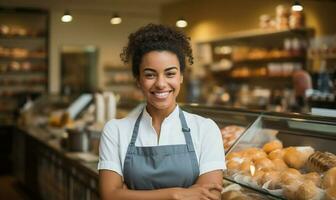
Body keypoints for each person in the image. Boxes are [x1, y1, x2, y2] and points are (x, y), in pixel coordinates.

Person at [98, 24, 225, 200]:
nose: (161, 83)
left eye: (170, 74)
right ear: (138, 80)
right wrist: (176, 194)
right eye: (150, 75)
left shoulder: (206, 129)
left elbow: (209, 196)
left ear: (181, 77)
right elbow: (109, 195)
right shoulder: (115, 130)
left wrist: (130, 194)